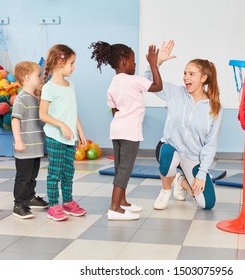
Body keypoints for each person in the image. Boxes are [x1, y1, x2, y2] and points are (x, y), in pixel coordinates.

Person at [89, 41, 162, 220]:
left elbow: (114, 110)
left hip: (117, 129)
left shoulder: (113, 83)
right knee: (125, 168)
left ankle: (122, 202)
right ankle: (114, 208)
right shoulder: (133, 80)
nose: (135, 64)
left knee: (119, 167)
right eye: (133, 60)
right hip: (130, 132)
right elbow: (157, 86)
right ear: (124, 62)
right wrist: (153, 64)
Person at [146, 40, 222, 210]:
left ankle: (180, 181)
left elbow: (210, 145)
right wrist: (157, 62)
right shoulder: (175, 93)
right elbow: (146, 82)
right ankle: (166, 190)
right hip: (169, 148)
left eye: (191, 74)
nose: (186, 77)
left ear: (203, 78)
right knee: (169, 158)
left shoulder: (214, 108)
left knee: (207, 204)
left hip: (192, 158)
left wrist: (202, 174)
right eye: (185, 73)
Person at [39, 44, 87, 221]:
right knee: (55, 173)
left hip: (70, 138)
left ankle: (67, 202)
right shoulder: (49, 88)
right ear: (60, 62)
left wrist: (80, 131)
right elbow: (42, 115)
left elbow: (73, 112)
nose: (74, 67)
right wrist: (60, 125)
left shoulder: (70, 85)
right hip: (55, 137)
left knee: (68, 172)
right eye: (72, 63)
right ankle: (53, 205)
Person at [11, 61, 48, 219]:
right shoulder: (22, 98)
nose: (40, 78)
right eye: (38, 75)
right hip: (25, 147)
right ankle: (19, 203)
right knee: (23, 177)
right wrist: (18, 140)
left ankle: (30, 197)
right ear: (27, 78)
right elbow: (15, 119)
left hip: (35, 147)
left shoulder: (36, 97)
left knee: (32, 175)